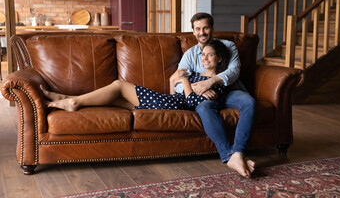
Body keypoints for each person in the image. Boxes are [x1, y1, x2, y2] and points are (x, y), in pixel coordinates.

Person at [41, 39, 229, 114]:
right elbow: (176, 90)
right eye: (203, 55)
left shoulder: (217, 82)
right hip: (171, 102)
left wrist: (186, 81)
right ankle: (68, 98)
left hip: (175, 106)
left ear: (219, 59)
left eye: (210, 55)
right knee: (113, 99)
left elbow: (192, 103)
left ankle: (72, 102)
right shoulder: (196, 74)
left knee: (119, 85)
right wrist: (175, 80)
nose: (204, 58)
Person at [172, 12, 256, 178]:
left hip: (230, 91)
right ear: (193, 32)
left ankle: (237, 153)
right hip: (206, 97)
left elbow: (234, 71)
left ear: (212, 28)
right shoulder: (189, 54)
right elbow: (178, 81)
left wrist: (211, 82)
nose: (202, 32)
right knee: (203, 108)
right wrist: (198, 88)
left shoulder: (228, 46)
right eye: (197, 29)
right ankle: (228, 155)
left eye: (205, 28)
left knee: (249, 102)